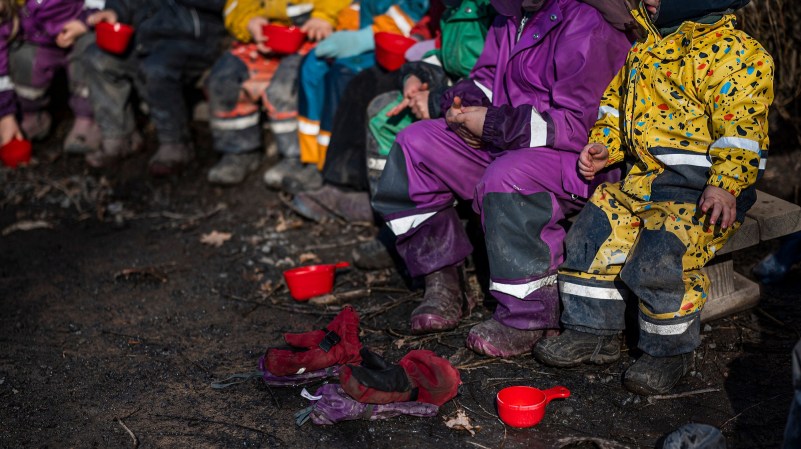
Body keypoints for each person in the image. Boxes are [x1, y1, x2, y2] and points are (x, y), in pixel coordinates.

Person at [533, 0, 774, 396]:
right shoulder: (645, 48)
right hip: (643, 182)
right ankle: (592, 328)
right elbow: (614, 107)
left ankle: (669, 350)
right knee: (591, 234)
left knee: (662, 257)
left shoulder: (738, 54)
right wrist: (604, 146)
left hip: (701, 192)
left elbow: (743, 128)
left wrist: (727, 182)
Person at [371, 0, 631, 356]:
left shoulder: (586, 24)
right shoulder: (512, 15)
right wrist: (463, 105)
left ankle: (532, 314)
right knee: (414, 144)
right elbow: (488, 79)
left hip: (580, 164)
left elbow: (580, 126)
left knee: (508, 177)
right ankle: (442, 279)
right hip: (509, 142)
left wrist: (495, 124)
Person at [290, 0, 489, 222]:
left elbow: (486, 76)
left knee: (381, 105)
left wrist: (435, 98)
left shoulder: (491, 11)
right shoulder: (450, 6)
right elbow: (433, 31)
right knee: (364, 83)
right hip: (441, 76)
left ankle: (379, 203)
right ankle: (345, 184)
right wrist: (418, 67)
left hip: (469, 100)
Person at [204, 0, 351, 185]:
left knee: (285, 88)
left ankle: (296, 156)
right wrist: (249, 22)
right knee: (223, 80)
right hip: (265, 36)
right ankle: (238, 150)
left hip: (313, 35)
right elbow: (235, 5)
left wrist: (325, 17)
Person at [288, 0, 430, 191]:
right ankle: (312, 158)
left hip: (391, 40)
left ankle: (336, 167)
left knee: (343, 74)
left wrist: (364, 37)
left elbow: (415, 12)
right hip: (368, 31)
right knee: (312, 67)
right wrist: (347, 25)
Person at [82, 0, 227, 176]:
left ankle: (175, 143)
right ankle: (118, 136)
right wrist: (116, 12)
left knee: (157, 70)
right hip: (147, 35)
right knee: (98, 58)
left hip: (194, 37)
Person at [8, 0, 100, 153]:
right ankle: (30, 114)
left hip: (79, 33)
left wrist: (86, 21)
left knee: (87, 60)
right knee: (25, 61)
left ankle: (87, 120)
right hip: (34, 41)